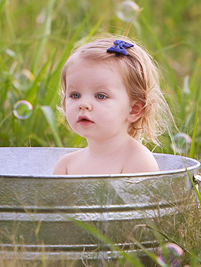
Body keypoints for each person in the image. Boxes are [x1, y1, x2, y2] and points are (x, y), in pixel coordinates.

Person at [54, 36, 168, 176]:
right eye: (75, 95)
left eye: (101, 96)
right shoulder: (66, 164)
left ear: (134, 110)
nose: (83, 104)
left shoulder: (137, 161)